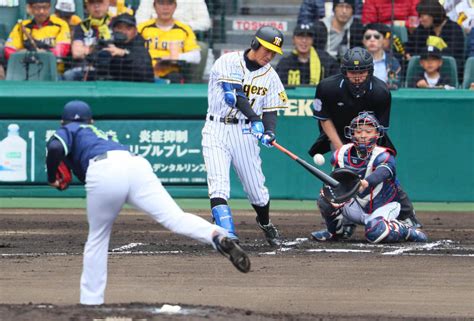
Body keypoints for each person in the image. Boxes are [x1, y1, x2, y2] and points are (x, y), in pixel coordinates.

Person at [46, 100, 251, 305]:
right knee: (175, 218)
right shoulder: (101, 134)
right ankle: (215, 235)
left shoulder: (69, 129)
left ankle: (91, 302)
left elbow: (55, 147)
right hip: (135, 164)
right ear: (91, 120)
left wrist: (50, 176)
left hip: (103, 169)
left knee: (97, 238)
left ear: (62, 121)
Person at [308, 47, 422, 231]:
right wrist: (340, 148)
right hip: (338, 132)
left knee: (384, 172)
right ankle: (342, 224)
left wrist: (365, 149)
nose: (358, 76)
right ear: (344, 72)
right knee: (339, 178)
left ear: (370, 71)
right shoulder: (327, 87)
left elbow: (380, 129)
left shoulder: (381, 91)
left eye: (362, 71)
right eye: (353, 71)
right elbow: (324, 118)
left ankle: (407, 213)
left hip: (369, 134)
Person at [202, 26, 288, 246]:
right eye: (266, 50)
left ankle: (266, 224)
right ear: (254, 44)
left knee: (256, 190)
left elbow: (270, 109)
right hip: (217, 128)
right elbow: (234, 96)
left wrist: (269, 131)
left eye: (273, 52)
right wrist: (255, 119)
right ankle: (226, 232)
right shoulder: (228, 61)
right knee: (218, 184)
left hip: (244, 133)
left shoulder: (270, 75)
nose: (269, 56)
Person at [310, 112, 427, 243]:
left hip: (383, 205)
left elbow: (383, 172)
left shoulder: (384, 155)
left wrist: (366, 182)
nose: (363, 136)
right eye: (358, 131)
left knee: (375, 233)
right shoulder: (340, 154)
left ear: (377, 134)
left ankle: (408, 231)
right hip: (357, 206)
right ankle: (335, 232)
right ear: (352, 133)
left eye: (368, 131)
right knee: (326, 198)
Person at [138, 0, 201, 83]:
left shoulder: (184, 29)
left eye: (169, 3)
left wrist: (172, 57)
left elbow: (196, 56)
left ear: (175, 6)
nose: (165, 8)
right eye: (161, 3)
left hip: (172, 75)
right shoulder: (142, 28)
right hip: (144, 73)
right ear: (154, 6)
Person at [406, 0, 465, 80]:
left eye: (423, 16)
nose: (420, 19)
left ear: (433, 15)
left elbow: (456, 53)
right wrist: (408, 54)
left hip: (448, 74)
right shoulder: (421, 29)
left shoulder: (454, 29)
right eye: (419, 16)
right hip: (422, 74)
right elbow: (410, 47)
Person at [95, 13, 154, 82]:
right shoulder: (108, 43)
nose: (123, 32)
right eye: (119, 28)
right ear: (113, 29)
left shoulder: (139, 45)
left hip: (136, 87)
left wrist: (124, 53)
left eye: (128, 29)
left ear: (135, 31)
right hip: (112, 86)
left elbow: (146, 72)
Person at [4, 0, 71, 60]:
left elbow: (61, 51)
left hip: (54, 70)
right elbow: (9, 51)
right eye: (37, 7)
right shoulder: (21, 26)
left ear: (50, 7)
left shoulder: (61, 25)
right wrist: (29, 55)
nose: (41, 11)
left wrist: (43, 54)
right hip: (26, 68)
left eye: (45, 7)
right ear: (29, 8)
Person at [63, 0, 112, 81]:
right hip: (85, 68)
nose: (96, 6)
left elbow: (117, 50)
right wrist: (94, 48)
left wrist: (86, 49)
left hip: (111, 69)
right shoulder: (82, 26)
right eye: (92, 3)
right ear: (87, 6)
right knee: (69, 75)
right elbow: (77, 52)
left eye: (100, 2)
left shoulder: (116, 24)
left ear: (107, 3)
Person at [362, 23, 401, 89]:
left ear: (384, 40)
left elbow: (395, 84)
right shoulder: (354, 61)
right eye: (368, 37)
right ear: (363, 41)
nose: (372, 40)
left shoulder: (393, 62)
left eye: (376, 37)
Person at [135, 0, 211, 32]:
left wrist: (176, 27)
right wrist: (160, 26)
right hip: (153, 37)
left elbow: (205, 22)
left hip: (183, 37)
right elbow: (139, 21)